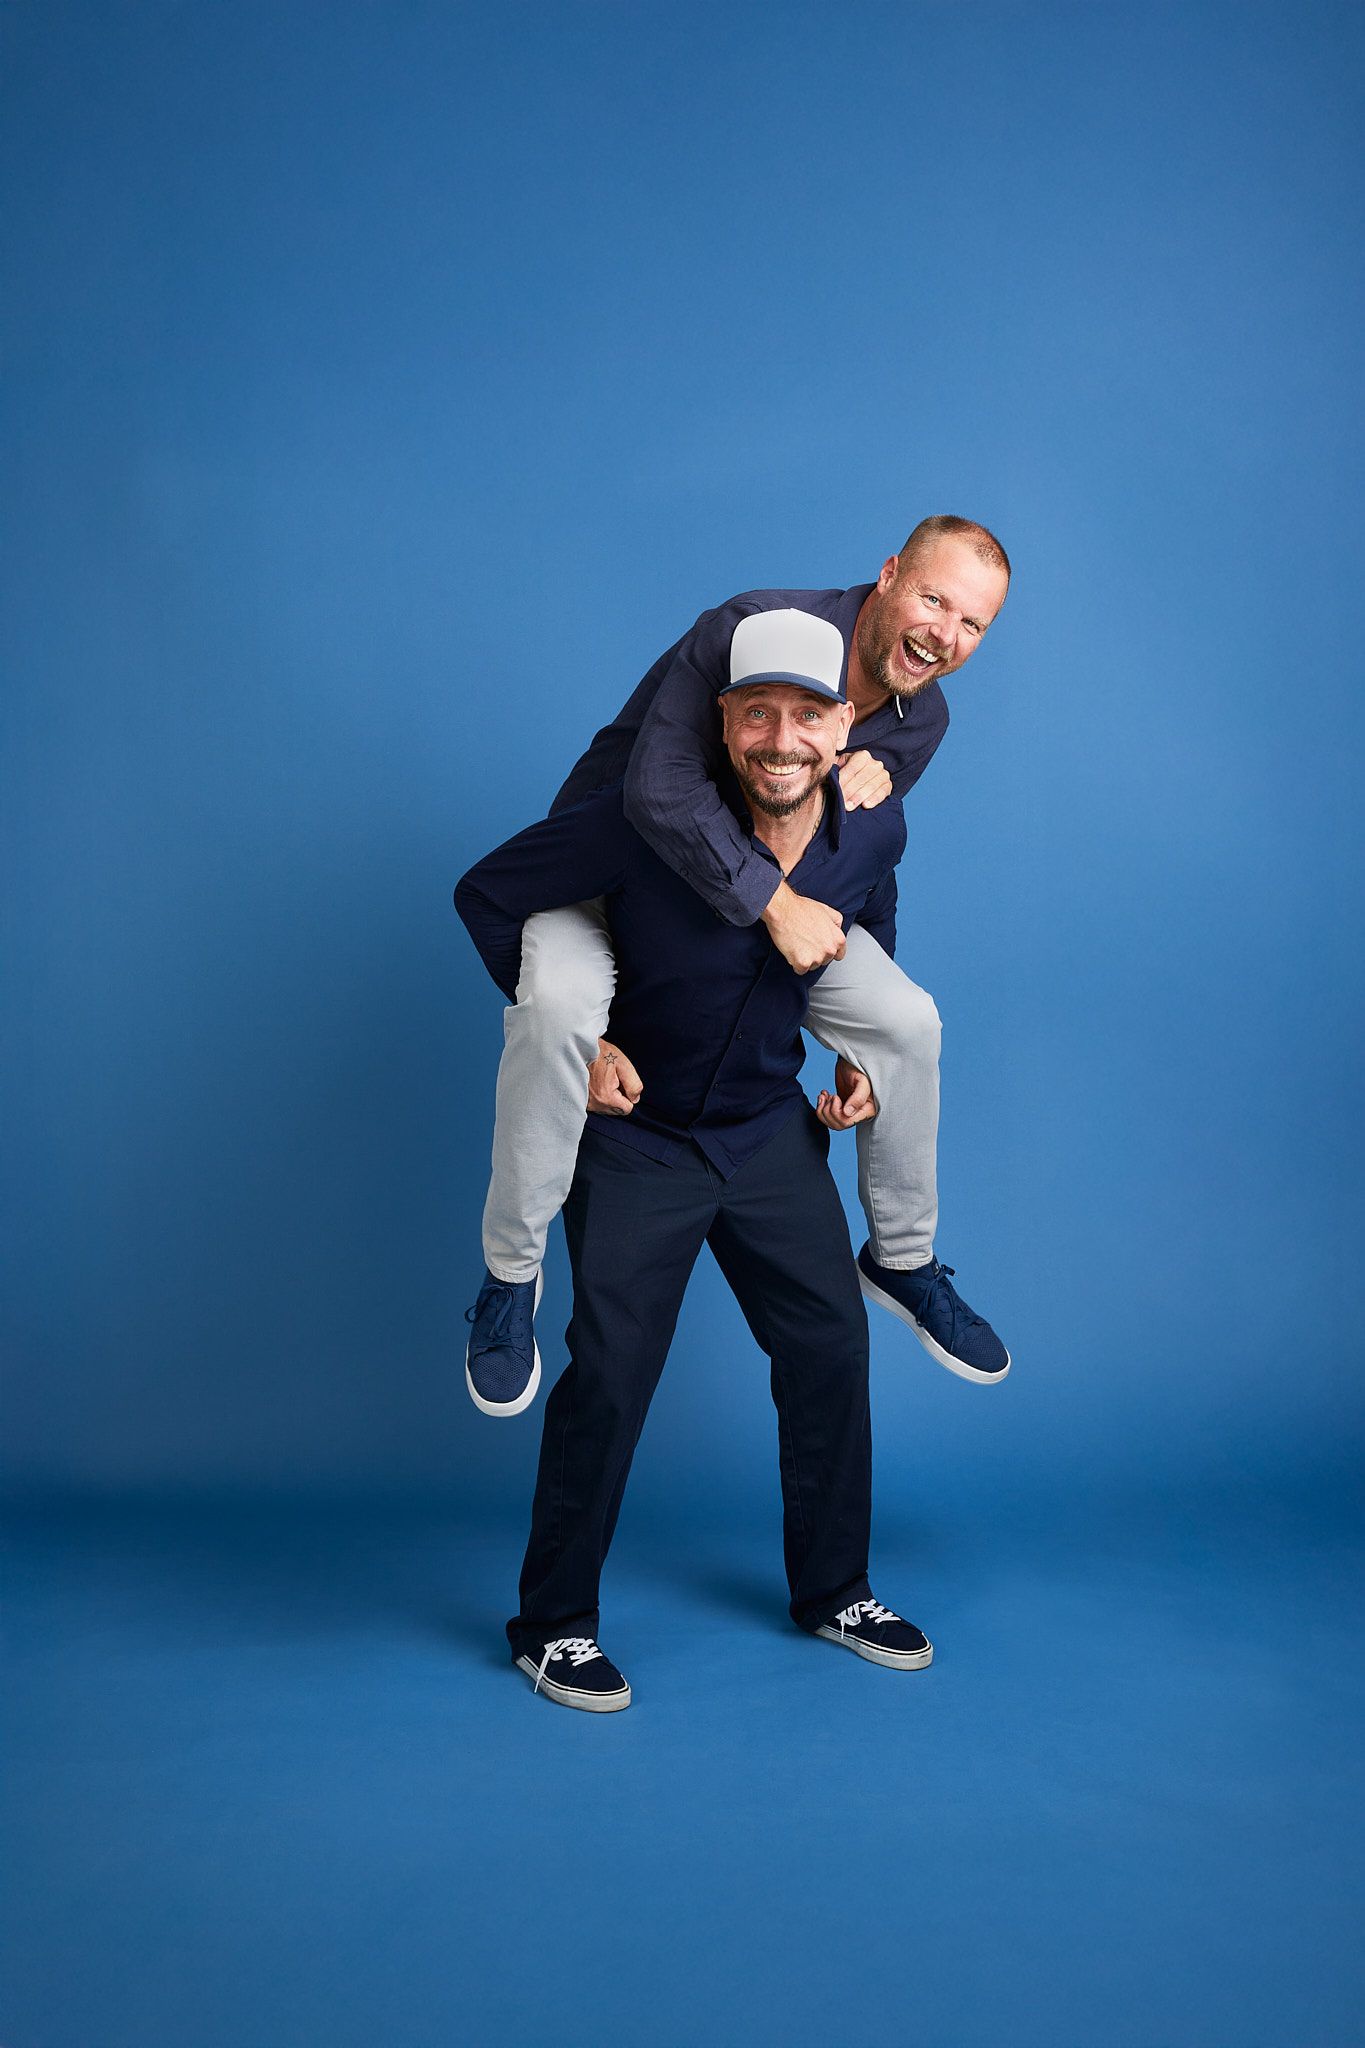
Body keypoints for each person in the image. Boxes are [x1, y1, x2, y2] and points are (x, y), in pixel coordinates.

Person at [455, 611, 942, 1709]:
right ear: (720, 725)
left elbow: (869, 929)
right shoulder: (640, 824)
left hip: (767, 1132)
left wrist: (859, 1058)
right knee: (613, 1373)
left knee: (831, 1348)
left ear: (844, 727)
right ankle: (552, 1625)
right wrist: (583, 1049)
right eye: (756, 714)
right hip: (641, 1140)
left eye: (807, 716)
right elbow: (486, 892)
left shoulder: (874, 830)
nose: (782, 740)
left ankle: (836, 1590)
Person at [462, 514, 1013, 1419]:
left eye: (972, 623)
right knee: (557, 1008)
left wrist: (857, 1044)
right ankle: (509, 1277)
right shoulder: (747, 628)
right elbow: (658, 791)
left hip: (729, 921)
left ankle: (902, 1258)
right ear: (887, 574)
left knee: (906, 1024)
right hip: (608, 875)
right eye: (933, 598)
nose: (944, 634)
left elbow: (851, 859)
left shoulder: (924, 719)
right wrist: (774, 906)